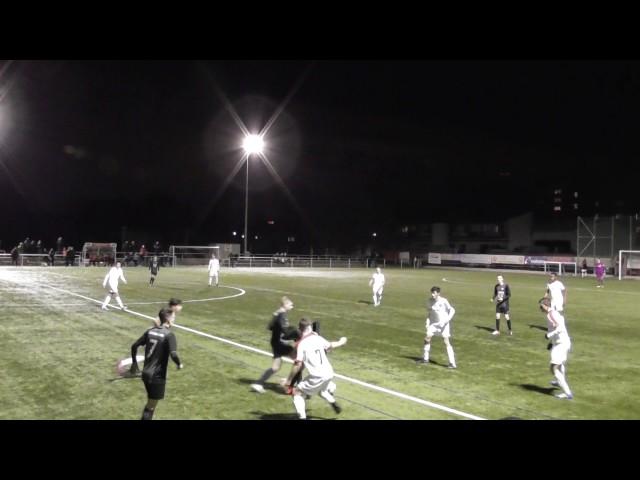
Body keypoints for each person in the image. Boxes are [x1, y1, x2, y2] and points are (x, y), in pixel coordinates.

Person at [283, 318, 346, 419]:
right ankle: (333, 402)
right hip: (329, 373)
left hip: (317, 376)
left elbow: (298, 364)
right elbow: (330, 346)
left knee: (297, 393)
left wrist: (288, 381)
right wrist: (341, 341)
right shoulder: (318, 338)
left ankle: (302, 417)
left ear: (300, 329)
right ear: (310, 327)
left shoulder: (301, 344)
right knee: (322, 391)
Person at [129, 307, 184, 419]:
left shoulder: (150, 331)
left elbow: (134, 346)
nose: (174, 320)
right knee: (151, 406)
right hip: (157, 376)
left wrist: (134, 364)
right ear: (168, 321)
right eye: (173, 318)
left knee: (151, 405)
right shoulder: (169, 335)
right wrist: (179, 364)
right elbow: (173, 354)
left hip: (145, 374)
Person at [251, 297, 296, 393]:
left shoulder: (277, 314)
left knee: (275, 367)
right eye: (291, 305)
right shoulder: (282, 315)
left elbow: (270, 327)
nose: (292, 307)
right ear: (285, 305)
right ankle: (290, 383)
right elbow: (286, 331)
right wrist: (295, 336)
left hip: (275, 342)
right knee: (298, 360)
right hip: (280, 343)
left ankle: (258, 383)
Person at [539, 297, 573, 400]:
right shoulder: (553, 313)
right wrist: (551, 342)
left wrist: (549, 335)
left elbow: (560, 328)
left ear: (545, 305)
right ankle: (559, 381)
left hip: (561, 344)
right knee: (559, 365)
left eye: (541, 306)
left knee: (553, 368)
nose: (540, 308)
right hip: (559, 343)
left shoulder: (551, 314)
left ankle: (567, 393)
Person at [417, 286, 457, 369]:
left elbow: (452, 310)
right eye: (431, 293)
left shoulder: (444, 301)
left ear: (438, 293)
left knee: (446, 341)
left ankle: (452, 363)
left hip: (444, 324)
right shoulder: (429, 301)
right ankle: (425, 358)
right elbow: (429, 312)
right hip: (433, 324)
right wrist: (427, 322)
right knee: (427, 338)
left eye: (434, 293)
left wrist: (447, 320)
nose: (432, 295)